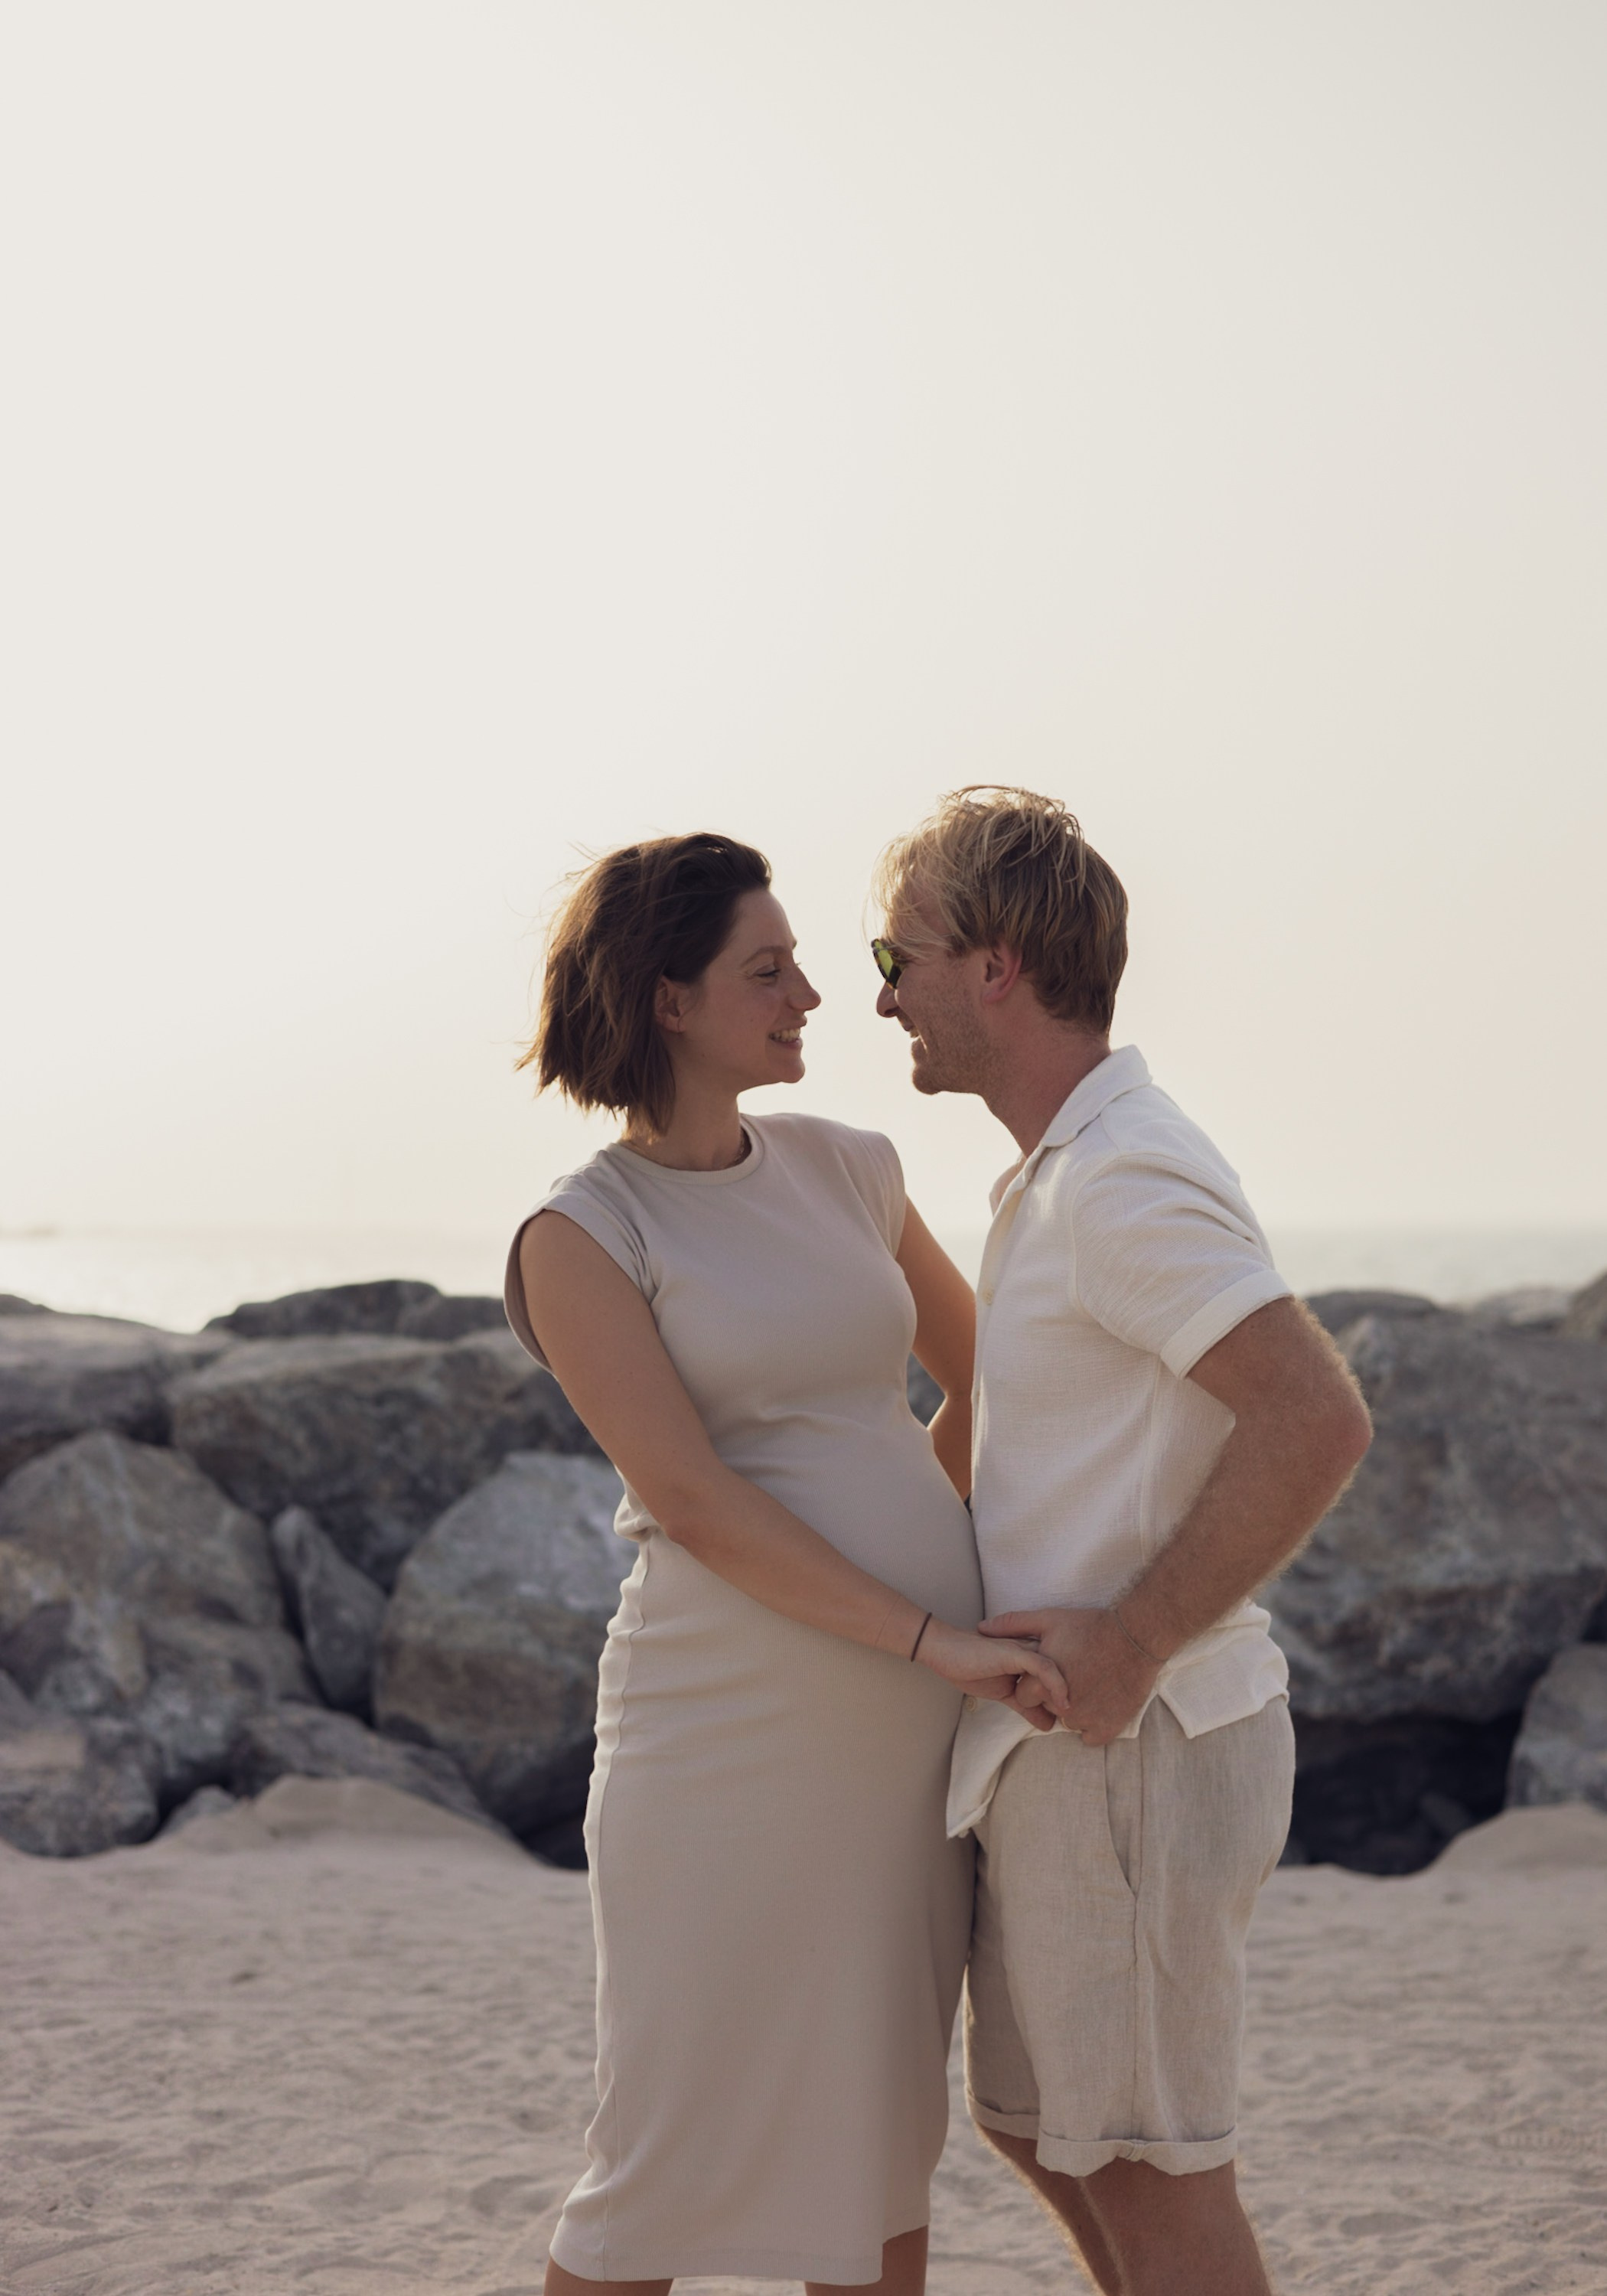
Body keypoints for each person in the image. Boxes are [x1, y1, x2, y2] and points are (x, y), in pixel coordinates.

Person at [503, 830, 1068, 2295]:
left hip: (894, 1745)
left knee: (878, 2142)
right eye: (769, 970)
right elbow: (687, 1497)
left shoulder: (851, 1169)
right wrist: (924, 1627)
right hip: (721, 1740)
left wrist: (926, 1536)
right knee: (664, 2156)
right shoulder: (581, 1234)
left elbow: (987, 1377)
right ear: (667, 999)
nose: (814, 993)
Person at [871, 788, 1374, 2296]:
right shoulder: (1060, 1174)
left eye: (900, 955)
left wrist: (1136, 1636)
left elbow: (1312, 1413)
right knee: (1037, 2129)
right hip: (1070, 1761)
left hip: (1140, 1751)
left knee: (1156, 2179)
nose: (881, 992)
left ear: (997, 968)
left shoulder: (1125, 1176)